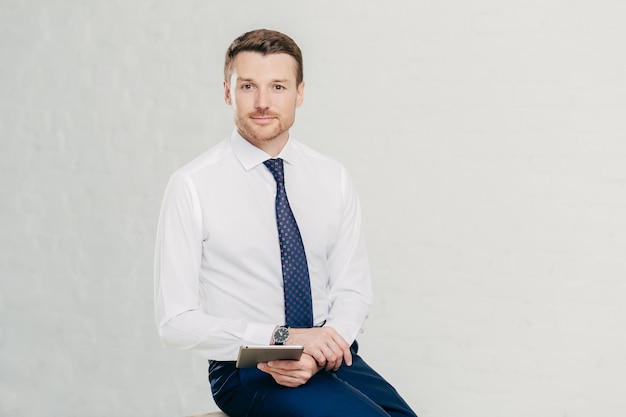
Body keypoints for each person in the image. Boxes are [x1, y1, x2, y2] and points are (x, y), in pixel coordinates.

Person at [154, 28, 417, 417]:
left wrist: (323, 347)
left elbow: (353, 290)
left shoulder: (332, 177)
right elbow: (174, 323)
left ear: (300, 93)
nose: (262, 102)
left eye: (277, 86)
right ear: (227, 92)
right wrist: (283, 339)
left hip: (332, 357)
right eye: (247, 86)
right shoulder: (192, 185)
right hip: (248, 369)